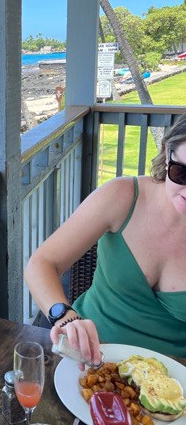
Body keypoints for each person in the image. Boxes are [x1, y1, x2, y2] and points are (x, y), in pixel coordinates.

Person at [24, 115, 186, 365]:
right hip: (85, 356)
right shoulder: (122, 196)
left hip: (170, 383)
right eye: (182, 173)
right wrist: (66, 318)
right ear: (167, 154)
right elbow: (42, 262)